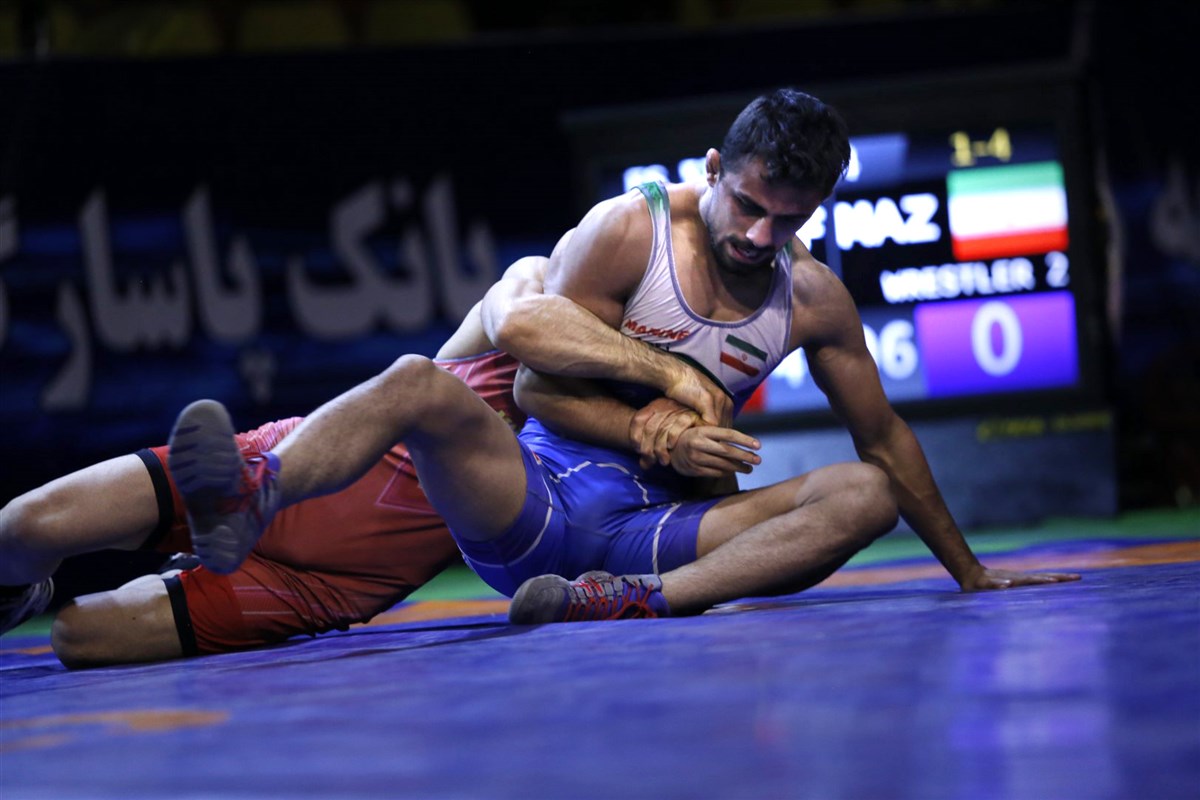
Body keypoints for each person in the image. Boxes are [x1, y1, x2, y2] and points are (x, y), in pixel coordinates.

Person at [165, 87, 1079, 627]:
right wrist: (663, 409)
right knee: (416, 380)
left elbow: (884, 437)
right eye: (749, 205)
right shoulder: (629, 231)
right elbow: (533, 384)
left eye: (790, 220)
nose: (760, 235)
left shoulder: (811, 296)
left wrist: (968, 569)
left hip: (656, 539)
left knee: (865, 494)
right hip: (534, 497)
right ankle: (256, 493)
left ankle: (638, 601)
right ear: (713, 167)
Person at [0, 247, 731, 667]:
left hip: (327, 585)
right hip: (265, 469)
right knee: (24, 528)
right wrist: (665, 372)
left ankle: (182, 568)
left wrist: (688, 422)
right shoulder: (535, 291)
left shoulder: (649, 428)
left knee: (78, 636)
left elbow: (706, 519)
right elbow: (517, 319)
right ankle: (18, 590)